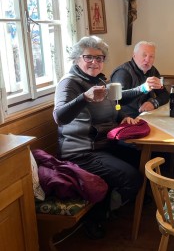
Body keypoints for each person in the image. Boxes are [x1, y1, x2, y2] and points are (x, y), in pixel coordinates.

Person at [53, 36, 151, 238]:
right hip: (82, 152)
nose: (95, 62)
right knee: (131, 177)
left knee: (141, 158)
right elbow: (59, 117)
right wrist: (84, 97)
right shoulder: (70, 83)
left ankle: (119, 199)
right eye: (89, 57)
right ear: (77, 58)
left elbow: (115, 103)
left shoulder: (98, 80)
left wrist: (123, 117)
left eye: (99, 58)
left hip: (104, 144)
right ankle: (98, 214)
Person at [111, 41, 169, 118]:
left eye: (151, 56)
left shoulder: (152, 70)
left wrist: (154, 103)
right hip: (127, 119)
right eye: (144, 55)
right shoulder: (123, 72)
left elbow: (164, 94)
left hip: (148, 116)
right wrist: (143, 88)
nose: (147, 60)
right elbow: (118, 99)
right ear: (134, 55)